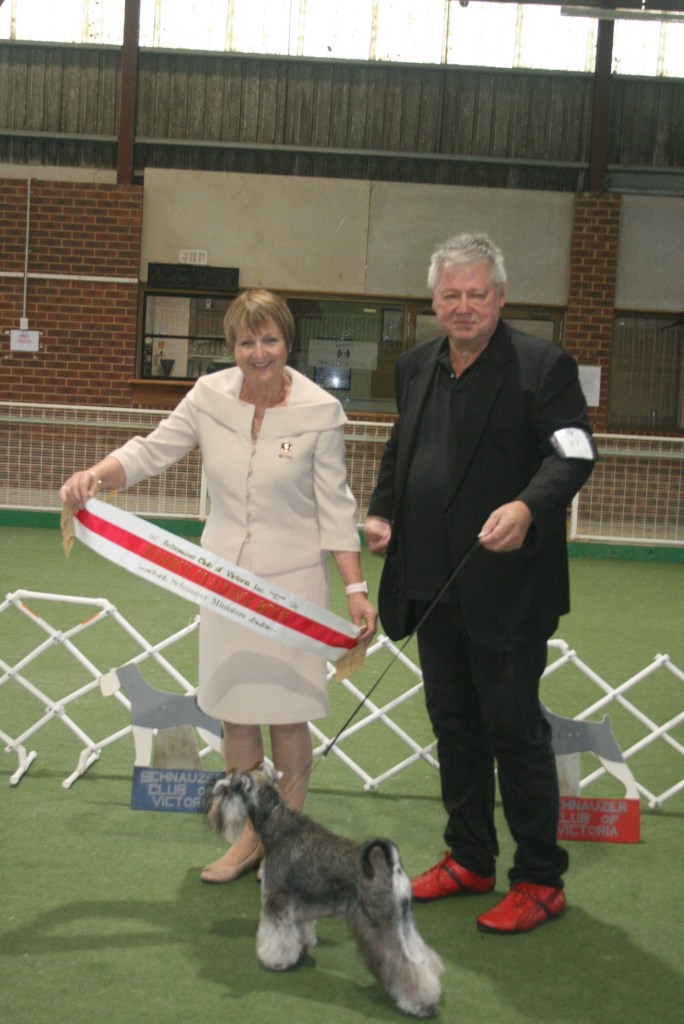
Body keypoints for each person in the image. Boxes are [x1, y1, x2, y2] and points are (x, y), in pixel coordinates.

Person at [60, 288, 377, 884]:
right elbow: (152, 450)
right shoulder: (208, 396)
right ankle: (250, 838)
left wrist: (355, 588)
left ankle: (283, 846)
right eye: (246, 341)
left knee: (288, 718)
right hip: (225, 586)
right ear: (232, 346)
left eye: (270, 339)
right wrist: (95, 475)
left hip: (292, 589)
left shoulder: (320, 411)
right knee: (237, 716)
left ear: (288, 342)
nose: (259, 353)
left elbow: (336, 508)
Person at [364, 233, 596, 935]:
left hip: (509, 591)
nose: (463, 307)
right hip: (431, 585)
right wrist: (382, 509)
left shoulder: (543, 366)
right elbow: (401, 445)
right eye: (450, 295)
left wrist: (529, 507)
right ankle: (469, 857)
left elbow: (575, 452)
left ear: (500, 297)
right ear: (433, 301)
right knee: (454, 727)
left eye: (476, 294)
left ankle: (540, 878)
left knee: (514, 731)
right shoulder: (415, 366)